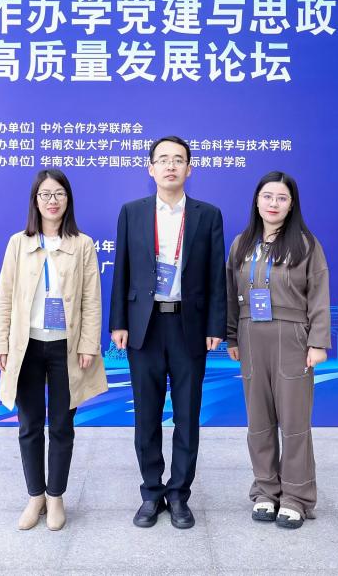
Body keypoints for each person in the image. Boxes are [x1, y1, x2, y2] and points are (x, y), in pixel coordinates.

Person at [110, 135, 227, 529]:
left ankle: (178, 495)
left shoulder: (208, 215)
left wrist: (216, 325)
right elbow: (122, 270)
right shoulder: (132, 212)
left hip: (188, 325)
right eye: (163, 159)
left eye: (178, 159)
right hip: (144, 327)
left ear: (189, 169)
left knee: (187, 415)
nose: (170, 166)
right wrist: (118, 322)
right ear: (151, 168)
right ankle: (150, 492)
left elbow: (216, 276)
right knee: (146, 414)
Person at [0, 169, 108, 531]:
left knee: (61, 425)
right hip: (26, 347)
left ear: (68, 200)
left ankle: (55, 496)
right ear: (35, 201)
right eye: (45, 194)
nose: (52, 201)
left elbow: (91, 300)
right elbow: (4, 296)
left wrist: (88, 343)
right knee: (29, 424)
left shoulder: (83, 244)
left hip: (66, 348)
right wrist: (0, 342)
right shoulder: (18, 243)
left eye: (59, 194)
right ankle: (35, 496)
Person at [225, 171, 330, 529]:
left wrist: (318, 342)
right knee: (258, 421)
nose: (273, 203)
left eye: (281, 198)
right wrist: (231, 337)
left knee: (294, 422)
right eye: (267, 196)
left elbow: (319, 295)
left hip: (293, 338)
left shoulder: (306, 245)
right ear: (256, 201)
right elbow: (229, 293)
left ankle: (296, 497)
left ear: (291, 204)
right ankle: (266, 491)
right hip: (250, 336)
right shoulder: (241, 244)